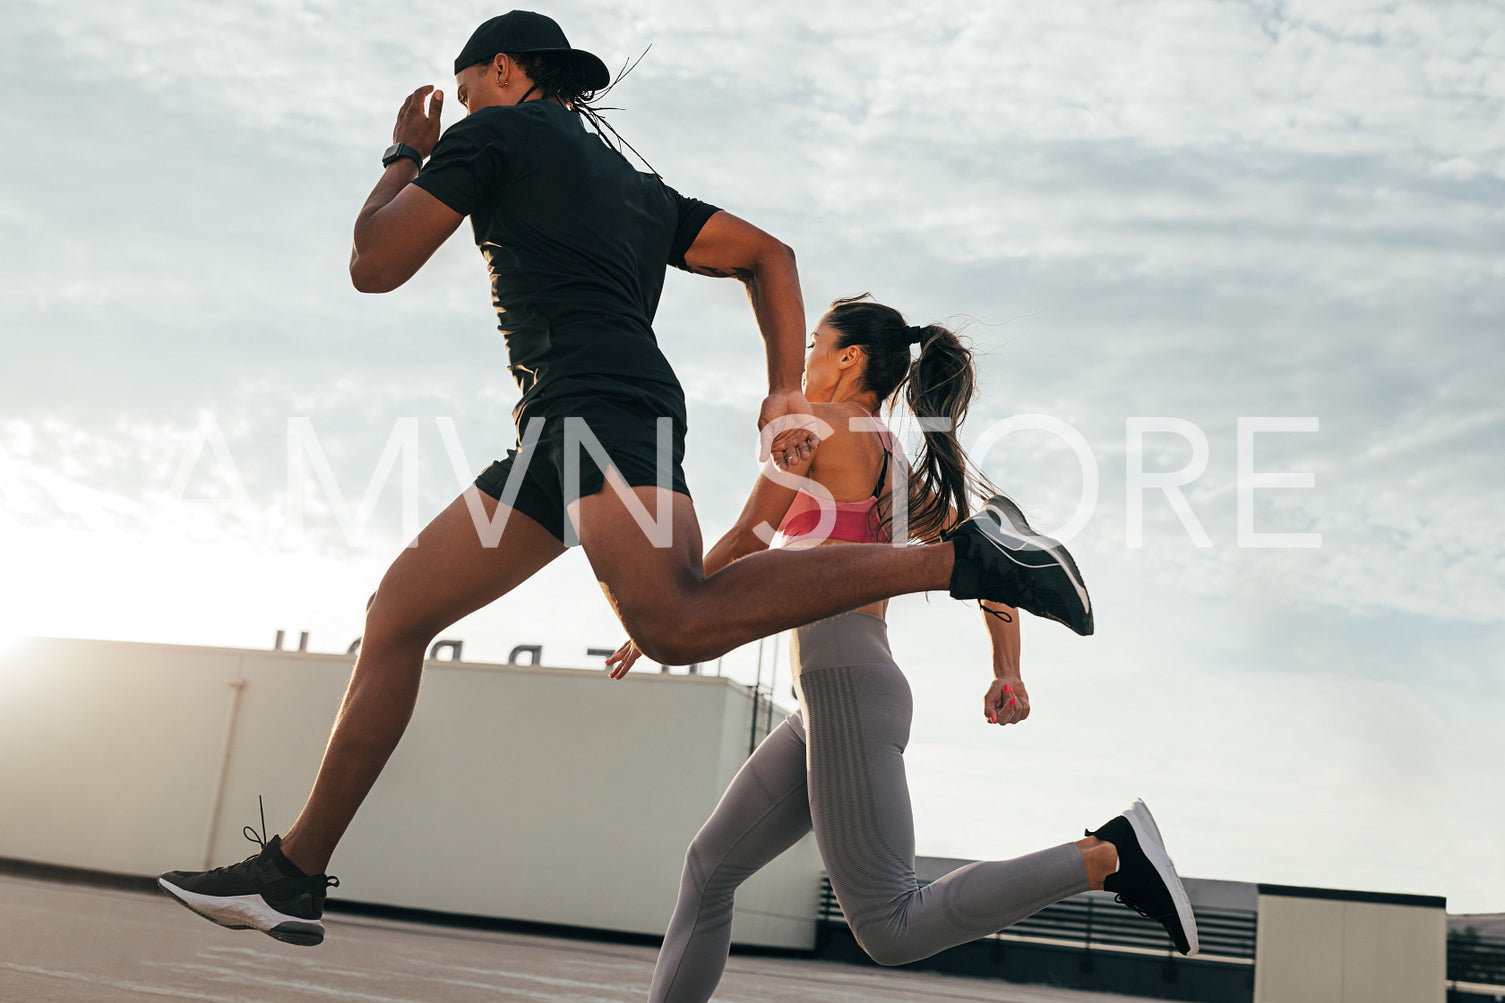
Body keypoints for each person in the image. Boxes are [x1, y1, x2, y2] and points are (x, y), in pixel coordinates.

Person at [156, 11, 1092, 947]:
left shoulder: (491, 133)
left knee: (675, 621)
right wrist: (777, 391)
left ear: (509, 71)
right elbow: (771, 257)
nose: (466, 100)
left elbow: (374, 264)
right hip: (561, 425)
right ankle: (293, 873)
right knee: (396, 613)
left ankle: (960, 560)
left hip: (599, 410)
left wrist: (404, 154)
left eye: (470, 81)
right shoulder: (633, 185)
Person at [606, 297, 1197, 1002]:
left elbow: (744, 539)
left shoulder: (820, 425)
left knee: (890, 926)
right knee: (709, 866)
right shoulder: (895, 465)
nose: (805, 362)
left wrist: (660, 616)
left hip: (846, 683)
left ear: (849, 357)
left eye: (813, 347)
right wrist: (1006, 670)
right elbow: (989, 566)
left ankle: (1105, 856)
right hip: (834, 693)